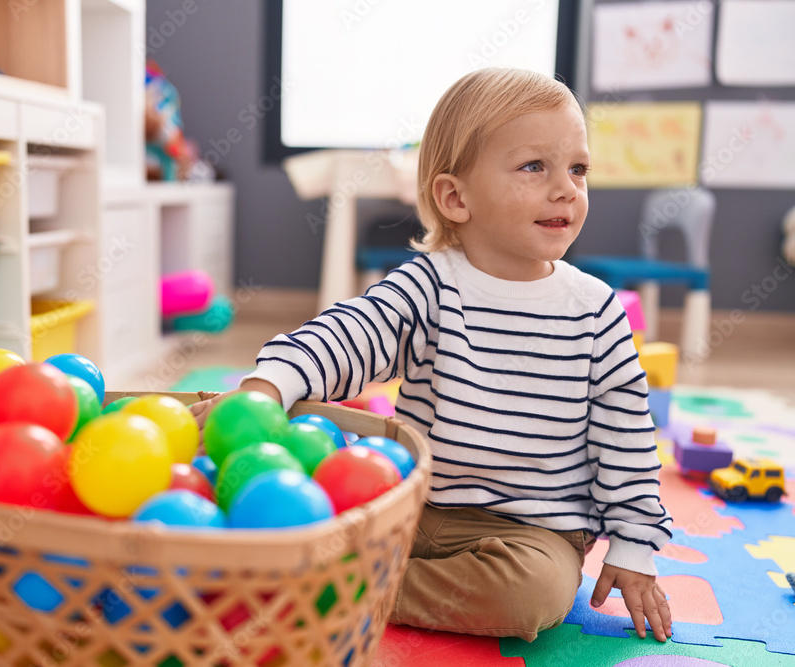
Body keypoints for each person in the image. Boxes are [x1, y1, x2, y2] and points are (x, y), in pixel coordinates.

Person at [191, 68, 673, 643]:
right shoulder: (430, 284)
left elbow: (626, 435)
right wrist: (269, 386)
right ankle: (302, 566)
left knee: (534, 596)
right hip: (412, 502)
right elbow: (351, 333)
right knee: (308, 500)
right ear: (455, 197)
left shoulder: (595, 310)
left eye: (578, 169)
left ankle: (343, 591)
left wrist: (634, 543)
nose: (566, 189)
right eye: (533, 167)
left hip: (533, 533)